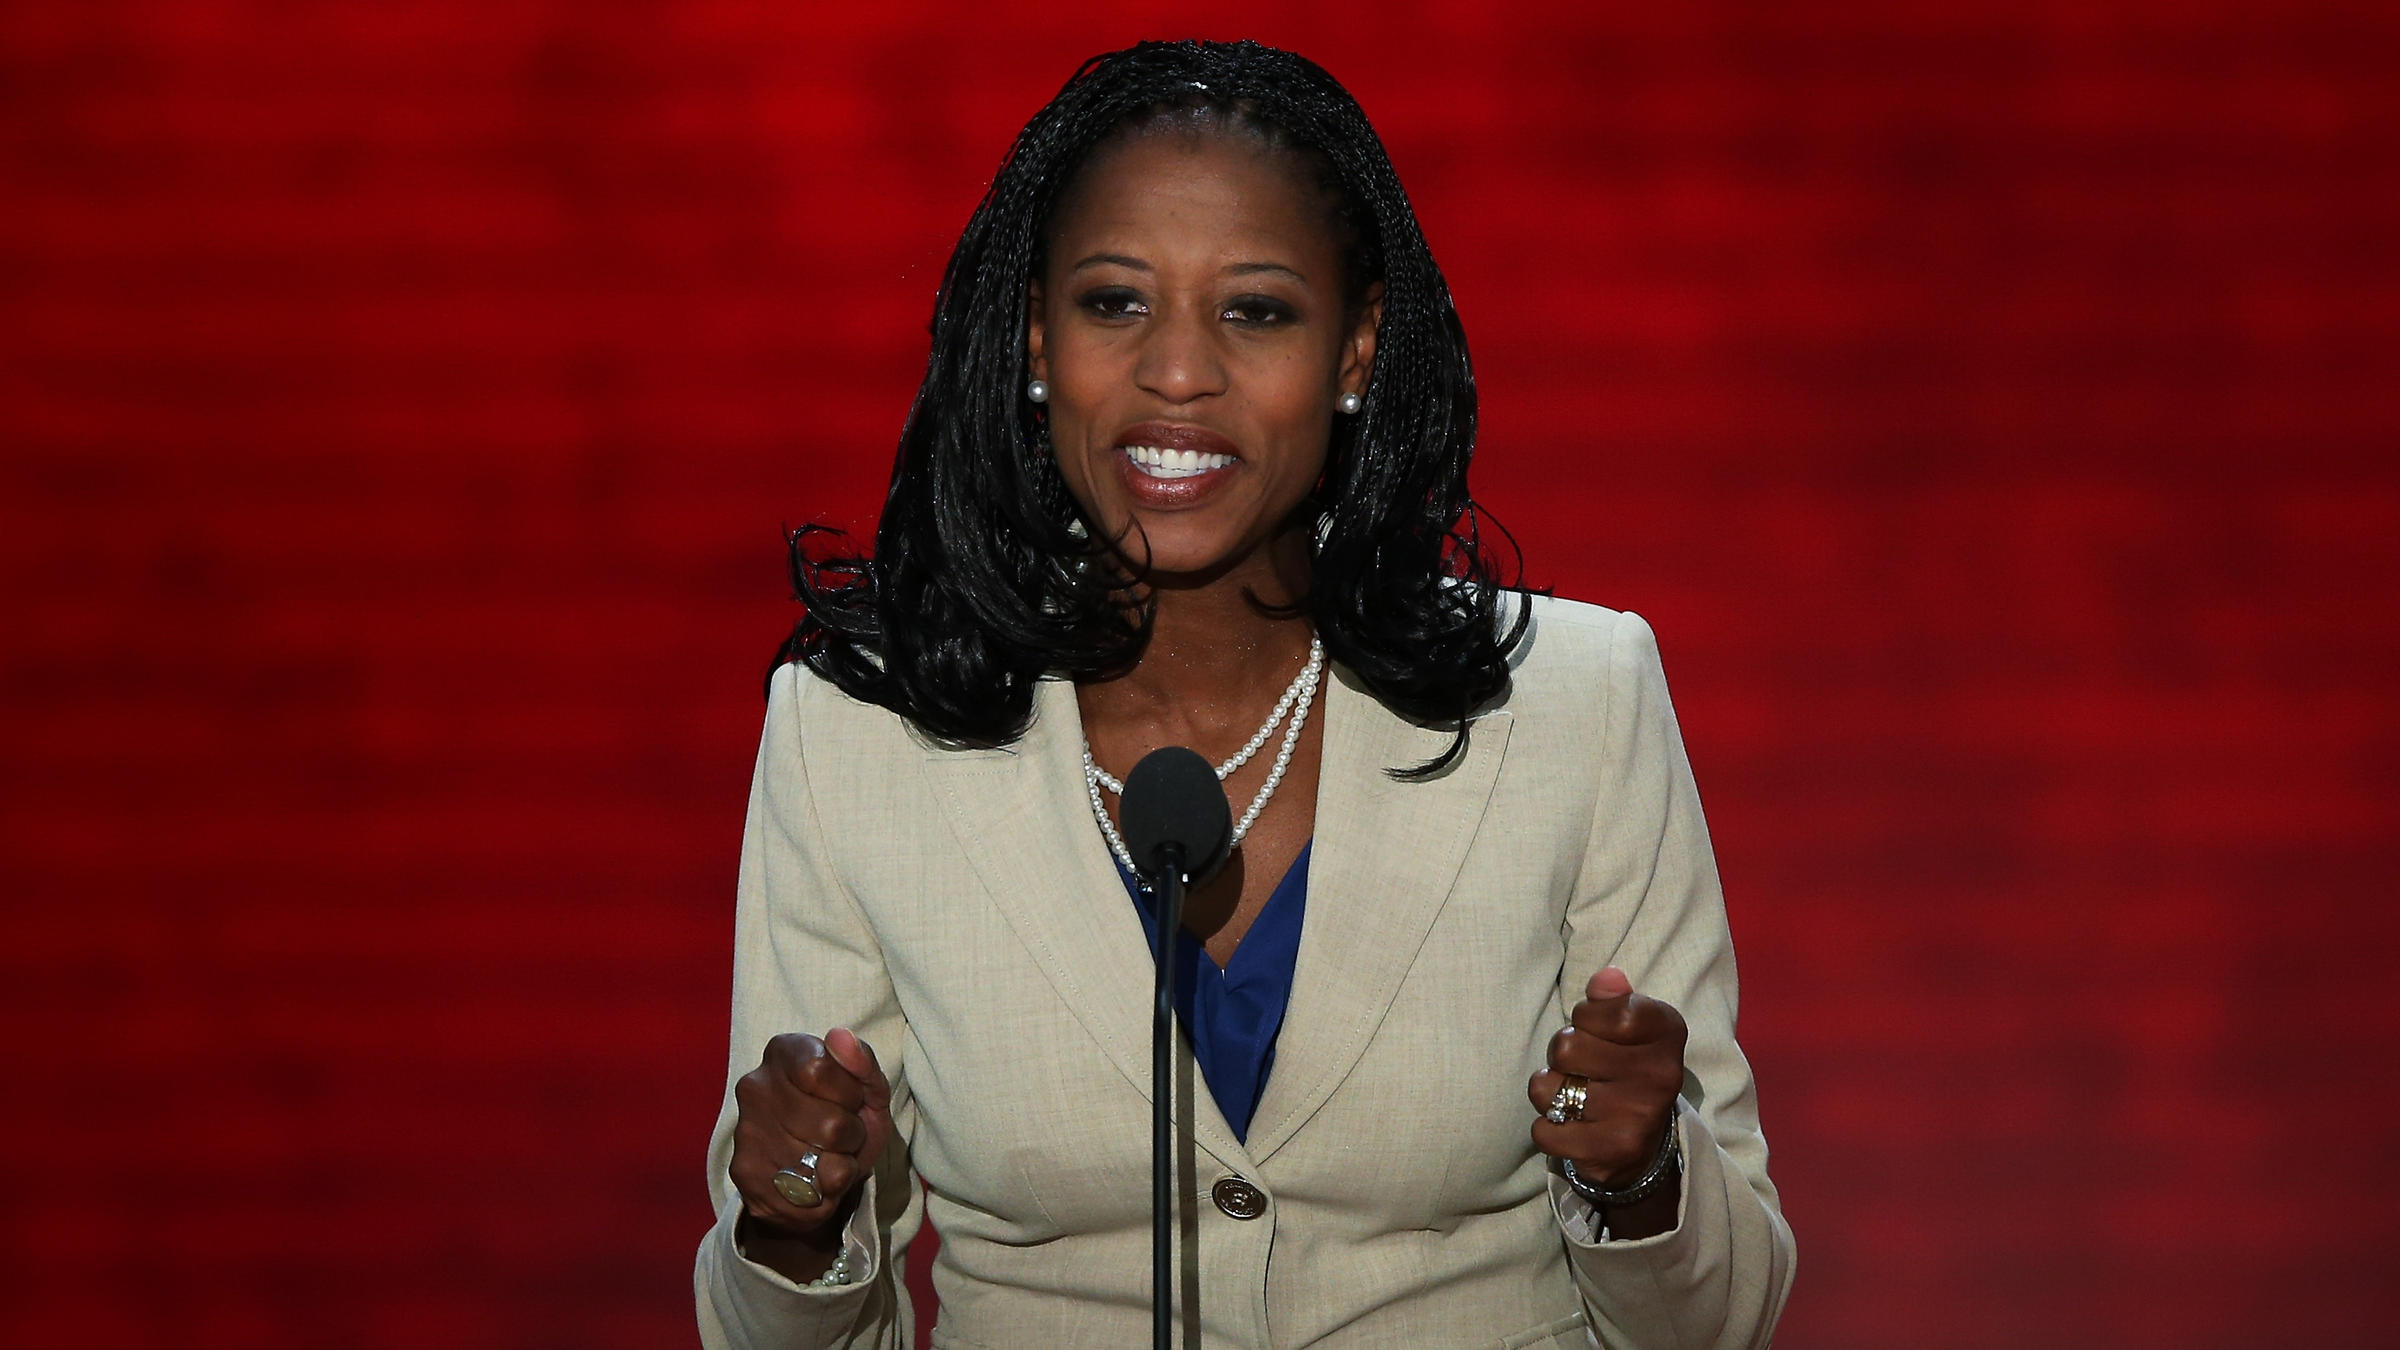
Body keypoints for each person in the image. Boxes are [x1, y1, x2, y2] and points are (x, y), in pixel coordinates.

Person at [694, 39, 1794, 1350]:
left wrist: (1641, 1179)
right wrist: (794, 1223)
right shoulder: (855, 734)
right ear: (1038, 337)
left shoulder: (1576, 703)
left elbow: (1725, 1317)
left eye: (1256, 310)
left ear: (1354, 353)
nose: (1178, 373)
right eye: (1114, 303)